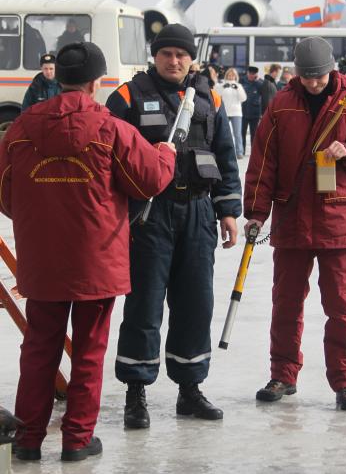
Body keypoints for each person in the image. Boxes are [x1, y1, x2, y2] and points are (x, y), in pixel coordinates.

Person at [0, 42, 176, 462]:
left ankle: (28, 439)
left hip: (41, 260)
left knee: (39, 347)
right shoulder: (111, 128)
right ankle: (77, 439)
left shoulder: (21, 128)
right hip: (96, 260)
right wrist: (166, 154)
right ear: (97, 82)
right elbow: (149, 181)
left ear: (57, 77)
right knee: (89, 349)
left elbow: (6, 195)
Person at [243, 37, 346, 411]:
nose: (314, 83)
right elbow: (264, 162)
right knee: (286, 302)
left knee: (341, 305)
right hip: (292, 218)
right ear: (297, 74)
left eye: (319, 76)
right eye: (307, 77)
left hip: (338, 219)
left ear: (332, 70)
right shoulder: (281, 105)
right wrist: (256, 212)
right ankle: (283, 373)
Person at [106, 23, 242, 428]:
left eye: (181, 54)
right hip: (149, 216)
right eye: (166, 53)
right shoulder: (128, 97)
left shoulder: (210, 98)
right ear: (155, 56)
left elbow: (226, 158)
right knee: (144, 305)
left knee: (196, 305)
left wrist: (228, 211)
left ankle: (190, 389)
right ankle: (136, 392)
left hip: (198, 214)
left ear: (191, 58)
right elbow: (107, 159)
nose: (174, 60)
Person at [215, 68, 247, 159]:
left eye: (233, 75)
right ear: (226, 75)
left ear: (235, 76)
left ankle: (239, 152)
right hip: (225, 111)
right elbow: (217, 95)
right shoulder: (221, 84)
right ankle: (224, 151)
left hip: (236, 112)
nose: (231, 76)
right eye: (229, 75)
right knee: (224, 132)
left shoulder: (239, 85)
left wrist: (237, 89)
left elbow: (243, 98)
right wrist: (223, 87)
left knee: (237, 133)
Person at [241, 66, 263, 155]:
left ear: (256, 74)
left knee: (254, 134)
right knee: (242, 133)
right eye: (250, 74)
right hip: (243, 111)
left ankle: (254, 152)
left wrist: (257, 80)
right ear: (247, 73)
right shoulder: (242, 81)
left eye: (253, 74)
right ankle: (241, 151)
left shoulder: (259, 83)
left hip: (255, 112)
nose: (251, 76)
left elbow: (262, 92)